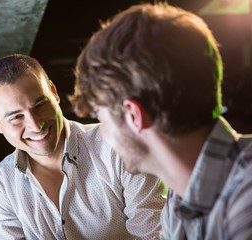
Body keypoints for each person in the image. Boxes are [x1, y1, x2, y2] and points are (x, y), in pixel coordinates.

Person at [69, 3, 252, 240]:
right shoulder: (178, 202)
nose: (103, 134)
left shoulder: (246, 194)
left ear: (133, 116)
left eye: (101, 118)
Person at [0, 53, 165, 239]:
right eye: (16, 117)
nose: (36, 125)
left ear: (54, 93)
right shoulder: (1, 184)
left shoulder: (119, 145)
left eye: (40, 105)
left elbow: (154, 235)